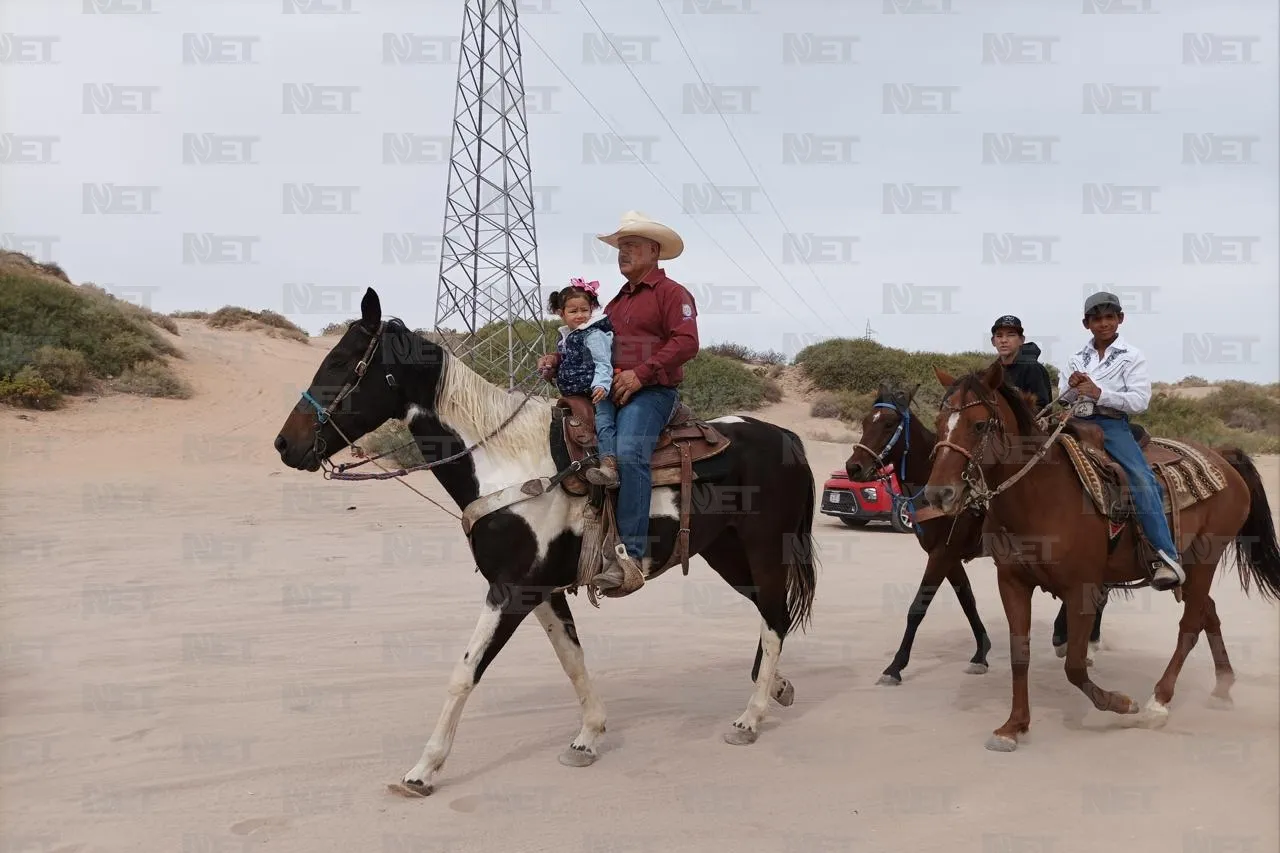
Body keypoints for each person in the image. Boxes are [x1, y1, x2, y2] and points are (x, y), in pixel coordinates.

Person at [537, 211, 699, 596]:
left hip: (651, 392)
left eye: (630, 247)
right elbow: (592, 345)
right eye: (620, 248)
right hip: (609, 390)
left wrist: (641, 373)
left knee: (627, 455)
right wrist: (556, 360)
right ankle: (577, 546)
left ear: (653, 251)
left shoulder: (672, 293)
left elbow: (687, 342)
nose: (622, 254)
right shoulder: (614, 302)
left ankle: (631, 558)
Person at [1058, 291, 1184, 591]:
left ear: (1120, 319)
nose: (1103, 324)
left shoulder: (1132, 356)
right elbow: (1063, 399)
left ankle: (1164, 556)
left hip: (1111, 425)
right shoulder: (1076, 358)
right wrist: (1072, 390)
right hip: (1074, 422)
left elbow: (1140, 401)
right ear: (1086, 323)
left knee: (1141, 478)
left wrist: (1099, 393)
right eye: (1096, 319)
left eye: (1109, 318)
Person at [545, 277, 618, 484]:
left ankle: (608, 462)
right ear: (561, 313)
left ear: (591, 309)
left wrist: (601, 385)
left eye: (584, 310)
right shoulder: (566, 336)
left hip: (595, 391)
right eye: (573, 311)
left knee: (604, 420)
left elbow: (603, 362)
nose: (580, 316)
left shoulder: (593, 334)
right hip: (575, 392)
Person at [990, 314, 1053, 411]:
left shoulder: (1033, 369)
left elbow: (1042, 406)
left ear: (1021, 340)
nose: (1004, 340)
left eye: (1011, 335)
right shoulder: (991, 371)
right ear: (993, 341)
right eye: (999, 336)